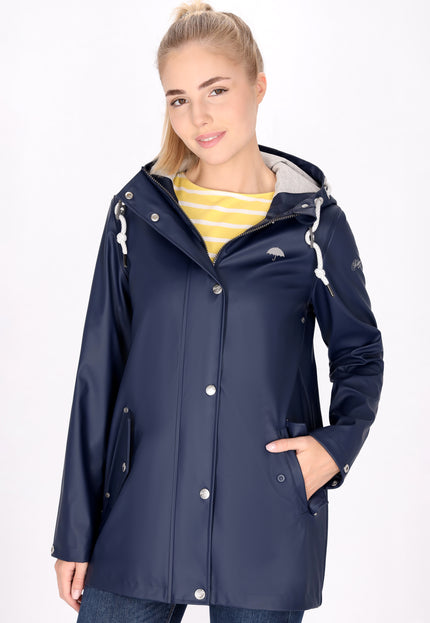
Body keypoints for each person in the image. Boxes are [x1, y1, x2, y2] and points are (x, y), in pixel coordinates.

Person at [52, 2, 384, 622]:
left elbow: (360, 350)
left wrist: (336, 447)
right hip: (139, 516)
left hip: (263, 520)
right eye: (178, 99)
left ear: (259, 86)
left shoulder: (313, 224)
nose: (197, 117)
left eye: (216, 90)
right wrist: (75, 528)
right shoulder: (135, 214)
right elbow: (99, 368)